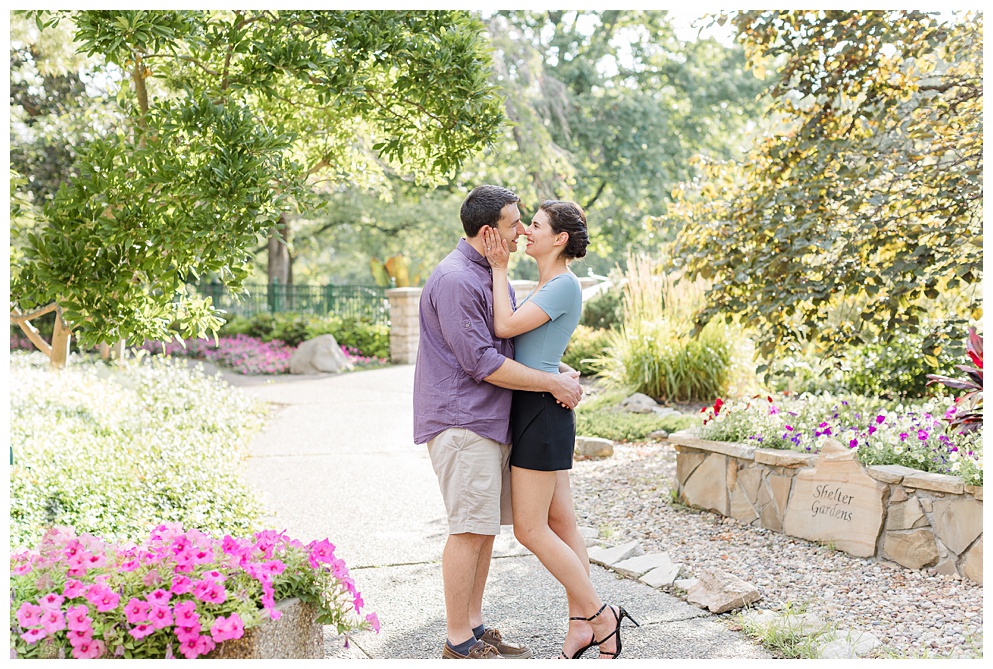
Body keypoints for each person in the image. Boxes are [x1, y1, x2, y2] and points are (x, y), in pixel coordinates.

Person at [413, 185, 585, 660]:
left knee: (482, 529)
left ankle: (473, 625)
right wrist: (550, 384)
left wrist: (557, 371)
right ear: (489, 231)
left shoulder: (487, 274)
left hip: (489, 421)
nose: (521, 232)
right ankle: (458, 641)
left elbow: (512, 344)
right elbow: (483, 363)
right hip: (463, 421)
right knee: (469, 529)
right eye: (514, 224)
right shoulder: (456, 280)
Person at [481, 200, 639, 659]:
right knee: (561, 522)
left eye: (535, 225)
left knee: (530, 530)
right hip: (542, 406)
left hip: (540, 413)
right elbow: (537, 350)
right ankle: (580, 626)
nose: (526, 231)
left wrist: (497, 266)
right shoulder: (549, 284)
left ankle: (600, 615)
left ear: (560, 239)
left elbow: (504, 326)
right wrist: (562, 370)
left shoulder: (563, 285)